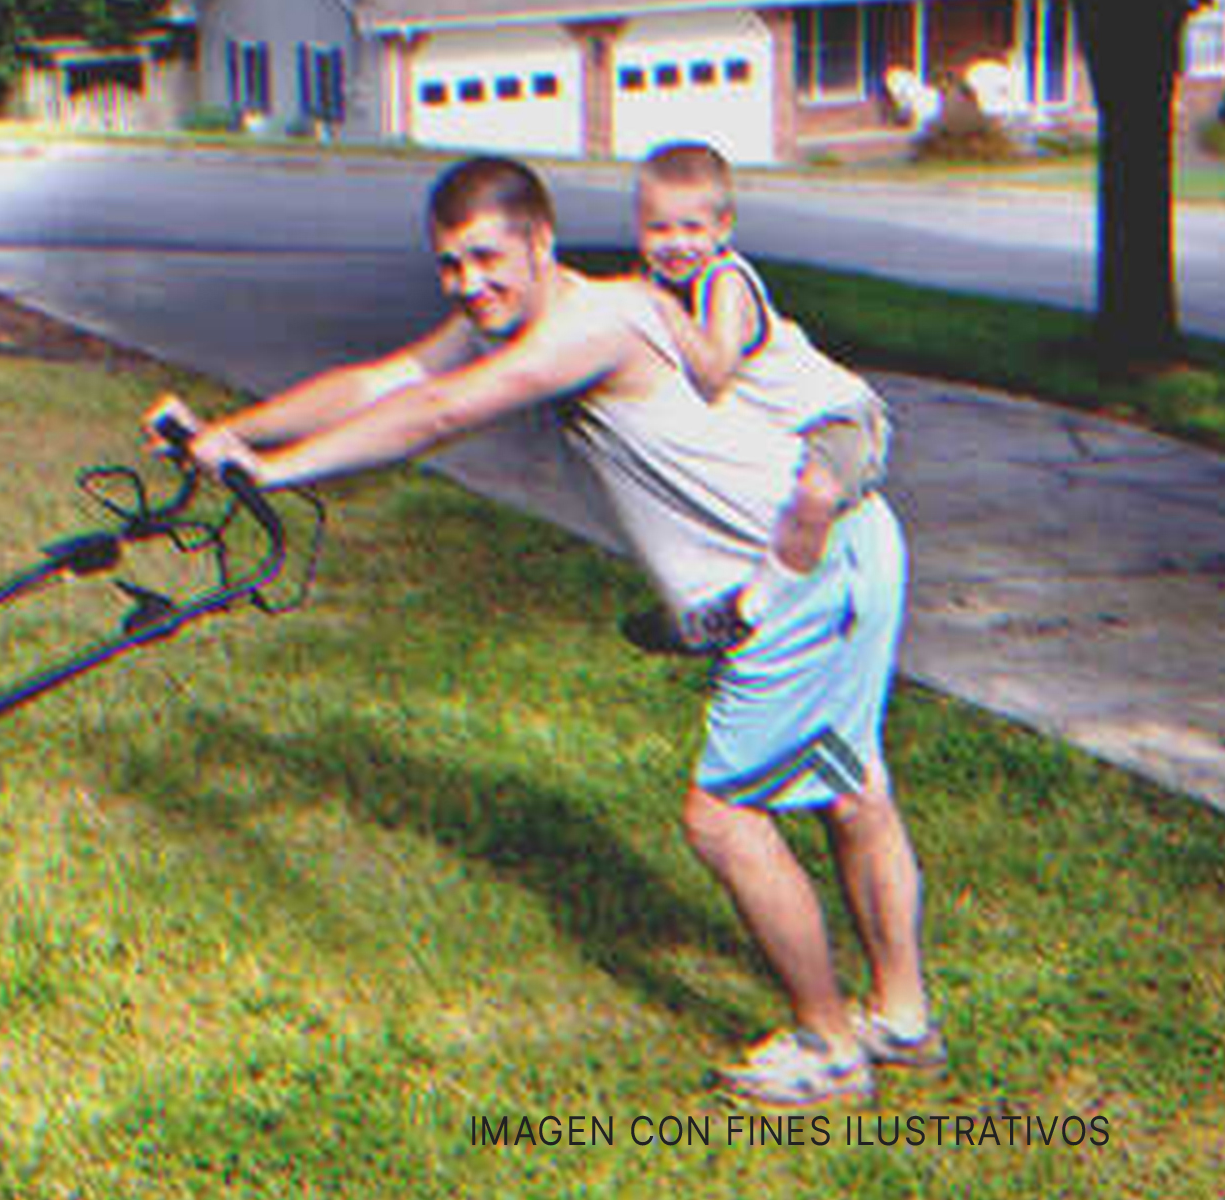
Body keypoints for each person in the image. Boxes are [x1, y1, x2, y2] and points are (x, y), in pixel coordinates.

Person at [153, 155, 941, 1108]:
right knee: (853, 794)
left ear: (541, 241)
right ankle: (898, 1019)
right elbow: (387, 380)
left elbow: (438, 411)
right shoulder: (532, 307)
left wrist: (277, 475)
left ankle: (828, 1047)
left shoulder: (596, 322)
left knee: (724, 819)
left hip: (807, 570)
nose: (469, 283)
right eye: (449, 265)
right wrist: (233, 437)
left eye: (487, 257)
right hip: (846, 552)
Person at [630, 141, 893, 651]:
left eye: (692, 229)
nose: (675, 244)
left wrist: (661, 309)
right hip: (774, 432)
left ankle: (752, 613)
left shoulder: (723, 281)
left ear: (722, 228)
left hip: (840, 418)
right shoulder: (657, 283)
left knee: (813, 497)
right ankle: (698, 600)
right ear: (639, 227)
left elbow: (713, 373)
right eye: (659, 229)